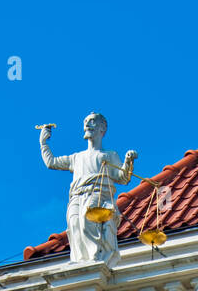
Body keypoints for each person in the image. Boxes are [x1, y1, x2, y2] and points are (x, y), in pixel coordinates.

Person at [39, 114, 137, 267]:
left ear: (102, 128)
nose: (87, 125)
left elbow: (122, 178)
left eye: (92, 122)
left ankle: (94, 259)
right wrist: (43, 143)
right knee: (74, 225)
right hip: (77, 197)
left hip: (98, 196)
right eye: (85, 122)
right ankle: (80, 261)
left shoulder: (109, 155)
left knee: (87, 221)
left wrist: (128, 161)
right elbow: (51, 162)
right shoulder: (77, 157)